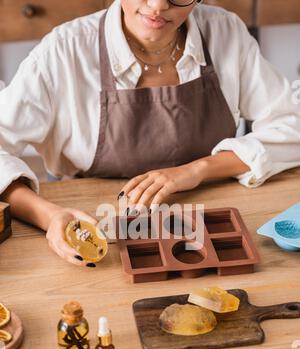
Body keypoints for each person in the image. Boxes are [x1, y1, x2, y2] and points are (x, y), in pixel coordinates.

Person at [0, 0, 299, 266]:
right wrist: (49, 216)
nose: (157, 5)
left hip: (209, 217)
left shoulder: (225, 32)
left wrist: (198, 170)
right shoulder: (64, 50)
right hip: (95, 226)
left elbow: (291, 124)